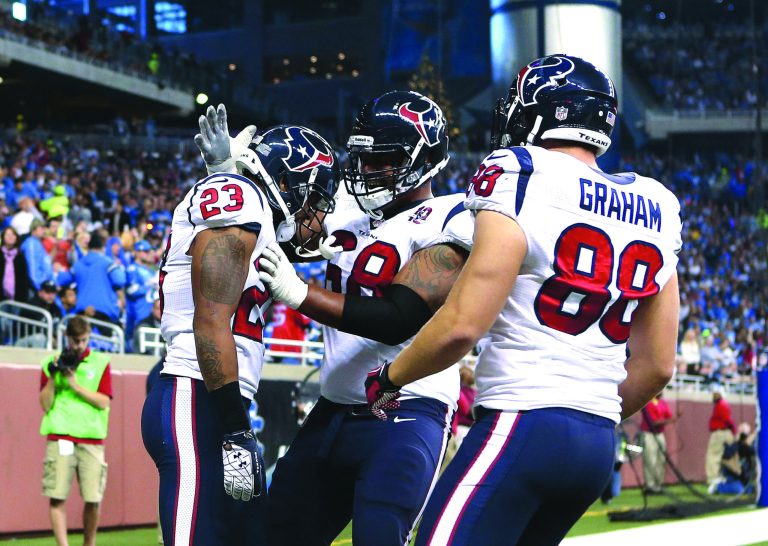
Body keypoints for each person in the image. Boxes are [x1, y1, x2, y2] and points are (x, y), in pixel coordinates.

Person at [364, 54, 682, 545]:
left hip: (523, 417)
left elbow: (463, 324)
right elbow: (659, 363)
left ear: (541, 111)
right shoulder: (657, 203)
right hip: (597, 438)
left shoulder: (521, 172)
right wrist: (585, 412)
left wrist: (390, 378)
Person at [257, 90, 473, 546]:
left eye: (383, 160)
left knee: (378, 537)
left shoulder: (451, 217)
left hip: (407, 407)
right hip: (333, 407)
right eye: (361, 158)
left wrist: (300, 294)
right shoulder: (348, 210)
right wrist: (238, 175)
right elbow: (275, 216)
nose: (367, 171)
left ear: (422, 158)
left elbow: (398, 317)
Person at [141, 104, 340, 546]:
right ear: (286, 183)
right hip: (195, 394)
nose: (317, 215)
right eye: (314, 198)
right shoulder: (239, 197)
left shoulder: (253, 210)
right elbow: (211, 319)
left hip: (221, 401)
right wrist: (235, 427)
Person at [39, 316, 112, 546]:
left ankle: (88, 544)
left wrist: (74, 385)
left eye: (84, 340)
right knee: (57, 496)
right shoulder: (51, 362)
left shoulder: (101, 362)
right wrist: (54, 375)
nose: (80, 345)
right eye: (76, 341)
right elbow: (45, 404)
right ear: (67, 338)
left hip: (91, 439)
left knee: (93, 498)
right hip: (60, 435)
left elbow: (103, 402)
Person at [55, 232, 126, 325]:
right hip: (104, 312)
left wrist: (59, 270)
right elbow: (120, 280)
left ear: (88, 248)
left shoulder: (78, 264)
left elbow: (61, 280)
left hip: (82, 311)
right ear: (102, 247)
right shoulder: (107, 263)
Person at [640, 391, 675, 494]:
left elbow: (669, 416)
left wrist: (671, 418)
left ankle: (659, 484)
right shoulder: (648, 403)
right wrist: (668, 420)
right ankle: (650, 485)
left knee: (661, 459)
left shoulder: (662, 403)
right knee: (650, 460)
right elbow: (654, 422)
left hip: (659, 433)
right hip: (649, 434)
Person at [706, 385, 736, 490]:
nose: (714, 396)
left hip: (720, 432)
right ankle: (721, 477)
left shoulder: (721, 404)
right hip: (725, 432)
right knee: (724, 456)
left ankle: (713, 479)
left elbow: (726, 419)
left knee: (713, 456)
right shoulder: (723, 404)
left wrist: (733, 429)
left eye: (716, 393)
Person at [0, 226, 32, 302]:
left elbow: (24, 279)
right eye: (8, 235)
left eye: (13, 234)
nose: (11, 237)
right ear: (3, 238)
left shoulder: (20, 256)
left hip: (17, 298)